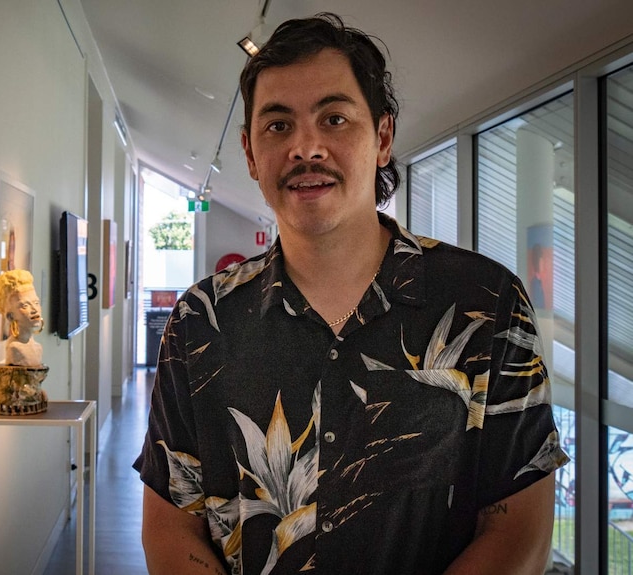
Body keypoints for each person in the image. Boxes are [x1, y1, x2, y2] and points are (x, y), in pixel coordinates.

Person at [134, 13, 568, 575]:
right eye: (278, 125)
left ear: (382, 138)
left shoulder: (486, 303)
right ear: (248, 153)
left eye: (334, 119)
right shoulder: (203, 319)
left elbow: (519, 530)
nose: (306, 148)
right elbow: (170, 523)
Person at [0, 269, 44, 367]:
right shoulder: (14, 348)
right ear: (10, 316)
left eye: (36, 303)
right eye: (25, 305)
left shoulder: (38, 348)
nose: (35, 309)